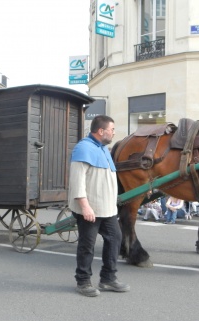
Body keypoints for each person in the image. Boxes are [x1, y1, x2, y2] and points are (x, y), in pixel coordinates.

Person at [67, 115, 129, 297]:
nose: (114, 133)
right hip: (90, 209)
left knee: (115, 238)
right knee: (87, 246)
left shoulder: (103, 149)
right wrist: (85, 207)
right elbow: (77, 181)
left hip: (107, 210)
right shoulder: (83, 148)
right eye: (112, 129)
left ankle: (108, 279)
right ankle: (83, 281)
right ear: (101, 131)